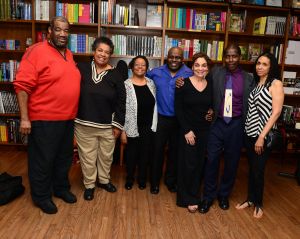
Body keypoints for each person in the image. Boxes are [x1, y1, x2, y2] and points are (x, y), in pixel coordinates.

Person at [13, 16, 80, 214]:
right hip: (44, 119)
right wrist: (25, 118)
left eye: (66, 30)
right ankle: (41, 196)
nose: (62, 34)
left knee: (63, 158)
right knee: (43, 160)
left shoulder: (68, 53)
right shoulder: (36, 51)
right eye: (58, 29)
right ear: (49, 31)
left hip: (67, 118)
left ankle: (60, 189)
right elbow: (22, 86)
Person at [198, 44, 255, 213]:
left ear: (240, 57)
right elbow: (201, 84)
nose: (231, 59)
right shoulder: (215, 72)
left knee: (232, 162)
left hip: (237, 124)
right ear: (224, 58)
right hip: (217, 123)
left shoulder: (248, 78)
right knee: (212, 160)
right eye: (228, 56)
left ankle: (223, 194)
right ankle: (208, 197)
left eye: (234, 56)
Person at [74, 37, 125, 201]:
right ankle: (89, 185)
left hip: (107, 126)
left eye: (107, 52)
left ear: (111, 55)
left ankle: (103, 181)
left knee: (106, 157)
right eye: (100, 50)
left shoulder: (116, 74)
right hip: (84, 124)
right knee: (87, 157)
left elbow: (121, 101)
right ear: (94, 51)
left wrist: (118, 124)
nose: (103, 54)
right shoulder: (81, 68)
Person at [235, 52, 284, 218]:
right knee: (252, 168)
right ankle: (249, 199)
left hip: (262, 135)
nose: (260, 67)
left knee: (259, 170)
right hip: (249, 133)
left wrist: (262, 137)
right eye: (258, 63)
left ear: (271, 67)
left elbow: (276, 112)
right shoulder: (256, 83)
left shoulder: (275, 83)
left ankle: (259, 204)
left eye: (264, 64)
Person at [146, 47, 193, 194]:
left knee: (175, 153)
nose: (174, 60)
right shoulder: (156, 72)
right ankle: (154, 182)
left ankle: (170, 181)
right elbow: (140, 76)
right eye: (171, 57)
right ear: (167, 57)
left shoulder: (189, 73)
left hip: (179, 121)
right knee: (157, 152)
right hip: (160, 119)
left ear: (182, 59)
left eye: (177, 57)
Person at [175, 53, 213, 213]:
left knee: (198, 164)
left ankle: (194, 194)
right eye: (197, 65)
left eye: (204, 65)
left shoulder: (210, 84)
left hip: (204, 130)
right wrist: (187, 131)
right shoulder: (182, 84)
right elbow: (178, 109)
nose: (200, 68)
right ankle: (185, 198)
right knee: (187, 164)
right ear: (192, 67)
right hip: (187, 130)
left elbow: (212, 104)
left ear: (208, 68)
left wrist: (212, 111)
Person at [121, 55, 157, 190]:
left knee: (145, 154)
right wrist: (123, 130)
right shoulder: (126, 85)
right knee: (131, 154)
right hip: (131, 126)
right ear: (132, 67)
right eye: (137, 64)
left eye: (143, 65)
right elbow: (122, 109)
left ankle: (142, 179)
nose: (140, 67)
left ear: (147, 68)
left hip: (148, 126)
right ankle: (129, 179)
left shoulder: (151, 83)